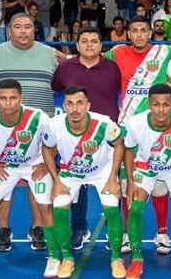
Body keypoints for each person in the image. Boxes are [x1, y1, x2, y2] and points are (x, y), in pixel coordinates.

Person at [0, 13, 59, 251]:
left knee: (38, 183)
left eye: (28, 27)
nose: (23, 31)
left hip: (41, 133)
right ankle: (3, 229)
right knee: (4, 183)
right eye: (17, 27)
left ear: (34, 30)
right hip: (3, 132)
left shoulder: (50, 54)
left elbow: (74, 65)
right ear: (9, 31)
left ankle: (38, 228)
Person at [106, 16, 171, 253]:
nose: (139, 34)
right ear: (128, 33)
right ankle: (127, 233)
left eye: (143, 30)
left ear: (150, 33)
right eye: (134, 30)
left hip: (159, 126)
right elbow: (90, 57)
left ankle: (162, 233)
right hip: (129, 127)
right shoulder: (117, 53)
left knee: (159, 184)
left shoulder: (166, 53)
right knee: (128, 183)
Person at [0, 80, 52, 278]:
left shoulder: (38, 117)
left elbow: (53, 141)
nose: (8, 103)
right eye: (3, 98)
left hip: (34, 164)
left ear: (21, 98)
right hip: (4, 166)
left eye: (13, 98)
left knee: (46, 207)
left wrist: (45, 164)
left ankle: (55, 257)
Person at [42, 86, 125, 278]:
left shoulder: (104, 123)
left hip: (102, 170)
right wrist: (55, 180)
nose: (75, 109)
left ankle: (116, 258)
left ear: (88, 105)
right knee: (59, 207)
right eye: (70, 104)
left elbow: (120, 144)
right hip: (70, 171)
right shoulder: (54, 125)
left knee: (112, 208)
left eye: (80, 103)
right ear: (64, 106)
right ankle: (67, 258)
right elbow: (46, 149)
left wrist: (113, 177)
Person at [123, 84, 171, 279]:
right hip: (145, 167)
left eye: (166, 105)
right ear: (149, 104)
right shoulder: (135, 123)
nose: (161, 110)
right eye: (156, 104)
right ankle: (137, 258)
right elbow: (129, 151)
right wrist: (130, 182)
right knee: (135, 207)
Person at [51, 27, 121, 250]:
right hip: (75, 135)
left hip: (106, 136)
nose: (89, 45)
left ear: (101, 45)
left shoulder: (112, 68)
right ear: (77, 44)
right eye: (84, 41)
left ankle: (114, 232)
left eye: (94, 41)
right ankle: (79, 228)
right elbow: (56, 88)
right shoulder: (65, 68)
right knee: (77, 185)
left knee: (112, 184)